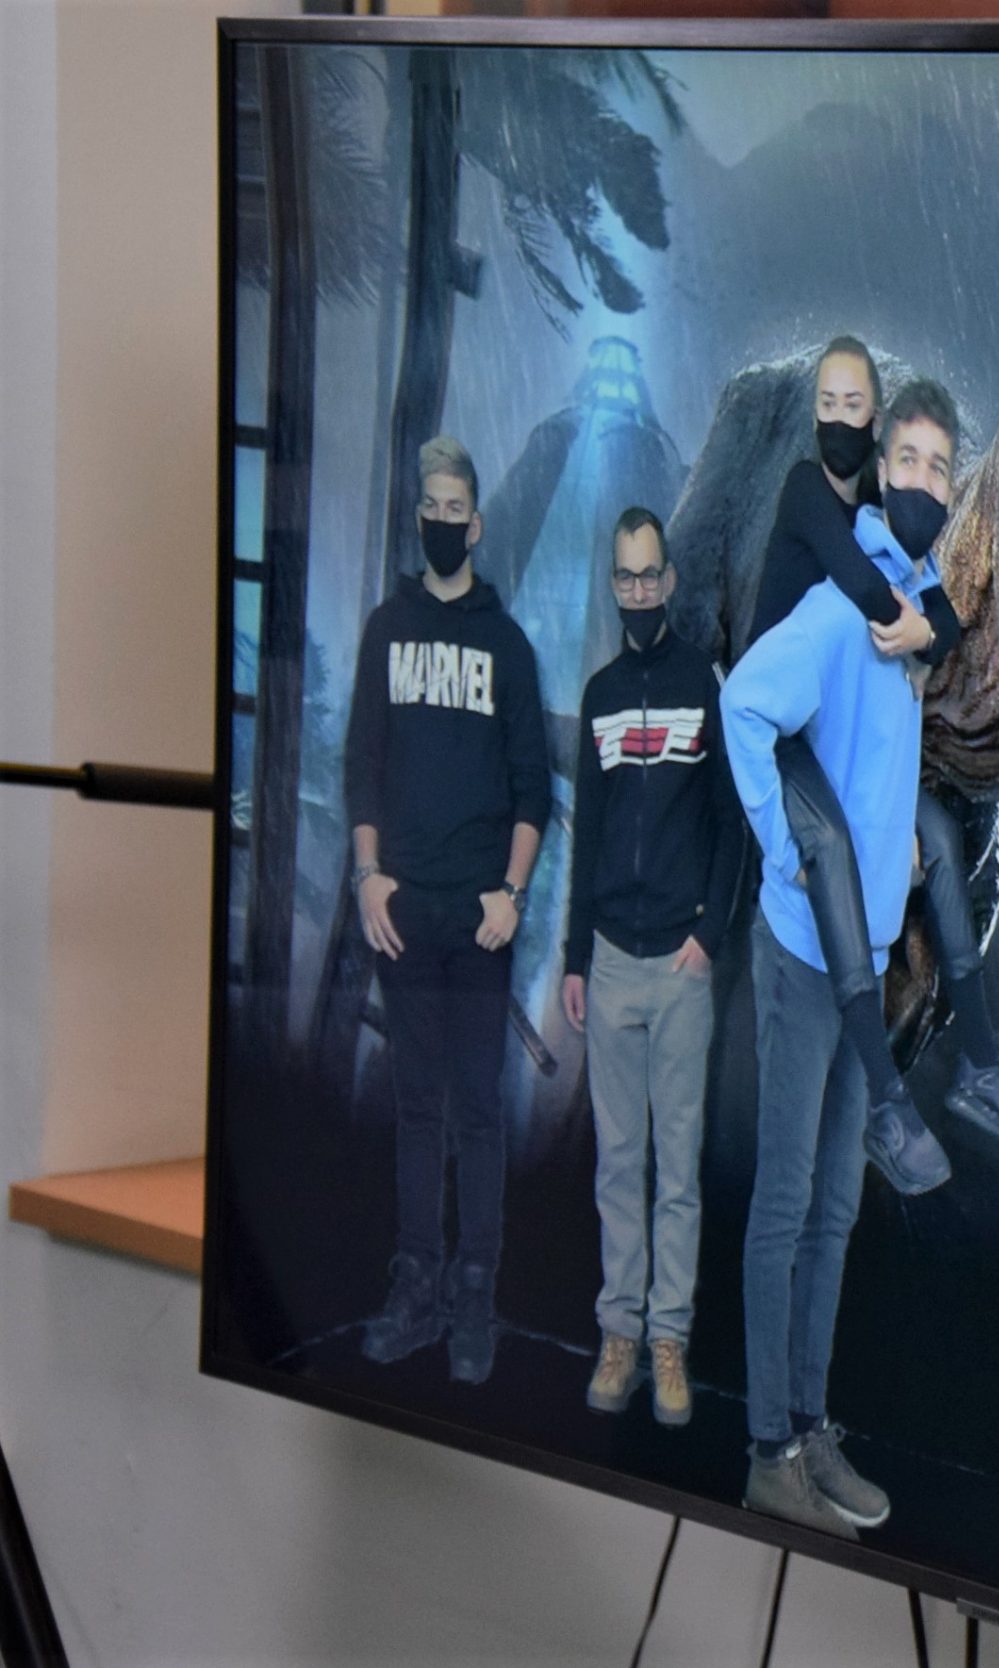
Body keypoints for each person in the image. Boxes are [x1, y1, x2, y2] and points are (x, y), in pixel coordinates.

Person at [723, 378, 969, 1536]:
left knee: (834, 1211)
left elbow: (874, 753)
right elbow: (743, 708)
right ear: (881, 472)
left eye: (937, 467)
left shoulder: (915, 613)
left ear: (951, 489)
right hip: (801, 957)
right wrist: (786, 852)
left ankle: (810, 1426)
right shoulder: (837, 610)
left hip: (868, 957)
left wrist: (891, 852)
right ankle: (766, 1451)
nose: (919, 479)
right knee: (784, 1207)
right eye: (904, 459)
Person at [345, 435, 549, 1386]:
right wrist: (366, 875)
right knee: (415, 1108)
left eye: (453, 508)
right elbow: (362, 762)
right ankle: (416, 1286)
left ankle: (476, 1298)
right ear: (420, 515)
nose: (439, 520)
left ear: (476, 523)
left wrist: (512, 895)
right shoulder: (386, 629)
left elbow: (532, 787)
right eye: (427, 505)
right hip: (401, 915)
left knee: (478, 1111)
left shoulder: (507, 646)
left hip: (478, 923)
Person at [560, 507, 743, 1428]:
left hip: (678, 967)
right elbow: (588, 835)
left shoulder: (703, 685)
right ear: (615, 587)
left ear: (670, 580)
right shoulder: (598, 696)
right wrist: (573, 957)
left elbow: (733, 825)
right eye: (624, 579)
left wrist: (709, 933)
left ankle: (668, 1338)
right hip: (609, 962)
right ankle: (618, 1333)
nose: (638, 592)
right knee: (616, 1166)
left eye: (649, 575)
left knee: (677, 1171)